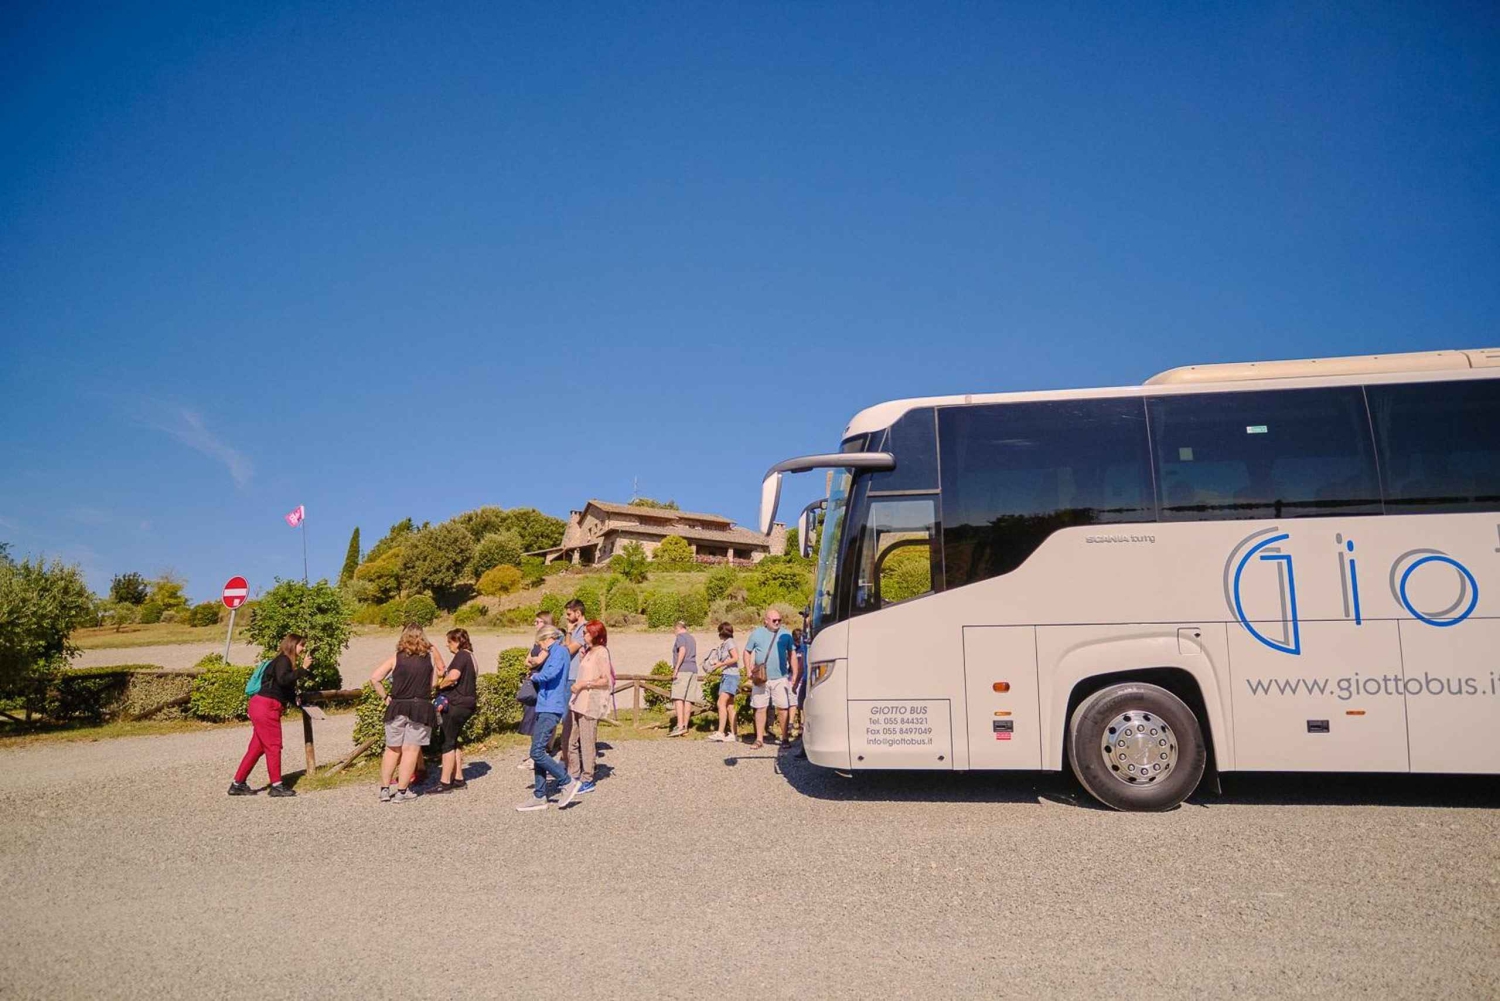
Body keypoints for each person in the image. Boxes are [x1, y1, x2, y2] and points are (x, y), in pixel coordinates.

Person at [371, 624, 445, 803]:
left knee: (392, 748)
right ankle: (402, 792)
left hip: (397, 706)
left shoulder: (396, 658)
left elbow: (375, 678)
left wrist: (385, 696)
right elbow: (433, 684)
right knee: (411, 750)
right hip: (420, 707)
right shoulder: (428, 659)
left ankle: (384, 789)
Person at [228, 634, 307, 797]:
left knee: (256, 748)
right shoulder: (283, 660)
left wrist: (297, 701)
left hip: (261, 705)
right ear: (292, 645)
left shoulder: (282, 661)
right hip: (266, 706)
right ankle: (277, 785)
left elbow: (283, 688)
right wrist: (303, 669)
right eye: (301, 645)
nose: (303, 648)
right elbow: (284, 680)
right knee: (274, 745)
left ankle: (237, 784)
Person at [518, 624, 582, 811]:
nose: (540, 646)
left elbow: (551, 674)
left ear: (547, 639)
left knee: (537, 752)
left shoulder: (559, 652)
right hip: (544, 705)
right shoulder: (556, 651)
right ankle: (539, 795)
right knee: (538, 751)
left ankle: (567, 781)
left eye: (540, 642)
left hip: (551, 706)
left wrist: (534, 677)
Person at [567, 619, 613, 795]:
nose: (584, 635)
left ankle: (587, 778)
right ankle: (573, 774)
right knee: (571, 741)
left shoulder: (601, 653)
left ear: (595, 634)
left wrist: (583, 684)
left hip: (589, 703)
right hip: (578, 702)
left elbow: (605, 680)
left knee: (587, 742)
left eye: (586, 632)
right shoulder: (588, 652)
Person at [431, 627, 478, 793]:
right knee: (454, 740)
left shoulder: (461, 656)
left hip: (457, 704)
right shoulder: (471, 656)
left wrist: (439, 686)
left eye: (449, 642)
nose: (447, 645)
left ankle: (445, 782)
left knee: (447, 742)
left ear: (458, 641)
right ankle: (458, 778)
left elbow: (453, 677)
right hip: (468, 703)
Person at [742, 609, 795, 749]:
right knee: (760, 707)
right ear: (766, 621)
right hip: (761, 677)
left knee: (783, 708)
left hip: (780, 678)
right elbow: (747, 652)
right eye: (774, 620)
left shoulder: (786, 634)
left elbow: (792, 654)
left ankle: (785, 738)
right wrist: (748, 670)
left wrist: (794, 674)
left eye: (779, 620)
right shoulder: (757, 633)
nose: (777, 622)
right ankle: (759, 739)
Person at [516, 611, 552, 770]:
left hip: (541, 684)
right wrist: (533, 661)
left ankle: (538, 755)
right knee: (531, 717)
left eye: (538, 622)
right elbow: (527, 661)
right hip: (533, 682)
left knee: (538, 720)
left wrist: (533, 661)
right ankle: (536, 753)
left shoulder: (548, 643)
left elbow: (538, 660)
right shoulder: (537, 643)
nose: (535, 624)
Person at [556, 599, 588, 770]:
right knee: (567, 720)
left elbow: (567, 650)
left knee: (569, 720)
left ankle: (567, 760)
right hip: (568, 676)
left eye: (569, 614)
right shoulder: (575, 629)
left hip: (575, 678)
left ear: (578, 613)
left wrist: (568, 632)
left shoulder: (584, 630)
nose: (567, 617)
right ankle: (567, 758)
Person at [705, 622, 739, 743]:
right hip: (728, 675)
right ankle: (734, 734)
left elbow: (735, 657)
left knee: (721, 703)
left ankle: (720, 732)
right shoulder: (726, 644)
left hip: (730, 676)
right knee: (729, 705)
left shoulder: (729, 643)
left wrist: (720, 664)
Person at [668, 620, 701, 736]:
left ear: (677, 628)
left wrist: (676, 668)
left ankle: (680, 725)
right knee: (688, 699)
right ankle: (685, 726)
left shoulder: (680, 637)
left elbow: (682, 650)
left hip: (683, 670)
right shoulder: (692, 638)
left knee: (678, 697)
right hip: (693, 670)